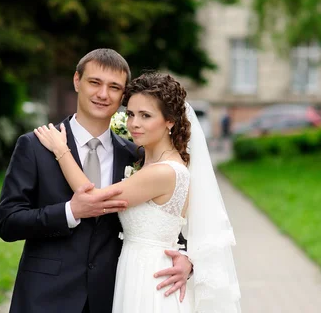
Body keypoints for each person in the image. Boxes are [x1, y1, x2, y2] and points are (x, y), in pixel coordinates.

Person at [0, 49, 192, 313]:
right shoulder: (36, 145)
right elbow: (9, 223)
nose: (103, 94)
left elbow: (169, 216)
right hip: (45, 298)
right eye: (94, 82)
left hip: (114, 296)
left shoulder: (135, 154)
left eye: (114, 87)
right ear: (77, 81)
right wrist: (69, 212)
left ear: (123, 95)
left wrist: (187, 260)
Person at [35, 72, 242, 312]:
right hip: (136, 271)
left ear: (170, 121)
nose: (134, 123)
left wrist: (61, 150)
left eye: (146, 116)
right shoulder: (147, 161)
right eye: (131, 114)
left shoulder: (162, 172)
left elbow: (93, 199)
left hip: (150, 279)